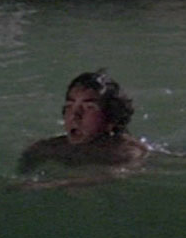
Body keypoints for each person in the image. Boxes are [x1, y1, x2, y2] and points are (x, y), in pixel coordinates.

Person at [17, 69, 148, 173]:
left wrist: (52, 185)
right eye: (70, 106)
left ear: (111, 120)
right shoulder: (51, 147)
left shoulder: (128, 151)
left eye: (89, 108)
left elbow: (113, 175)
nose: (75, 115)